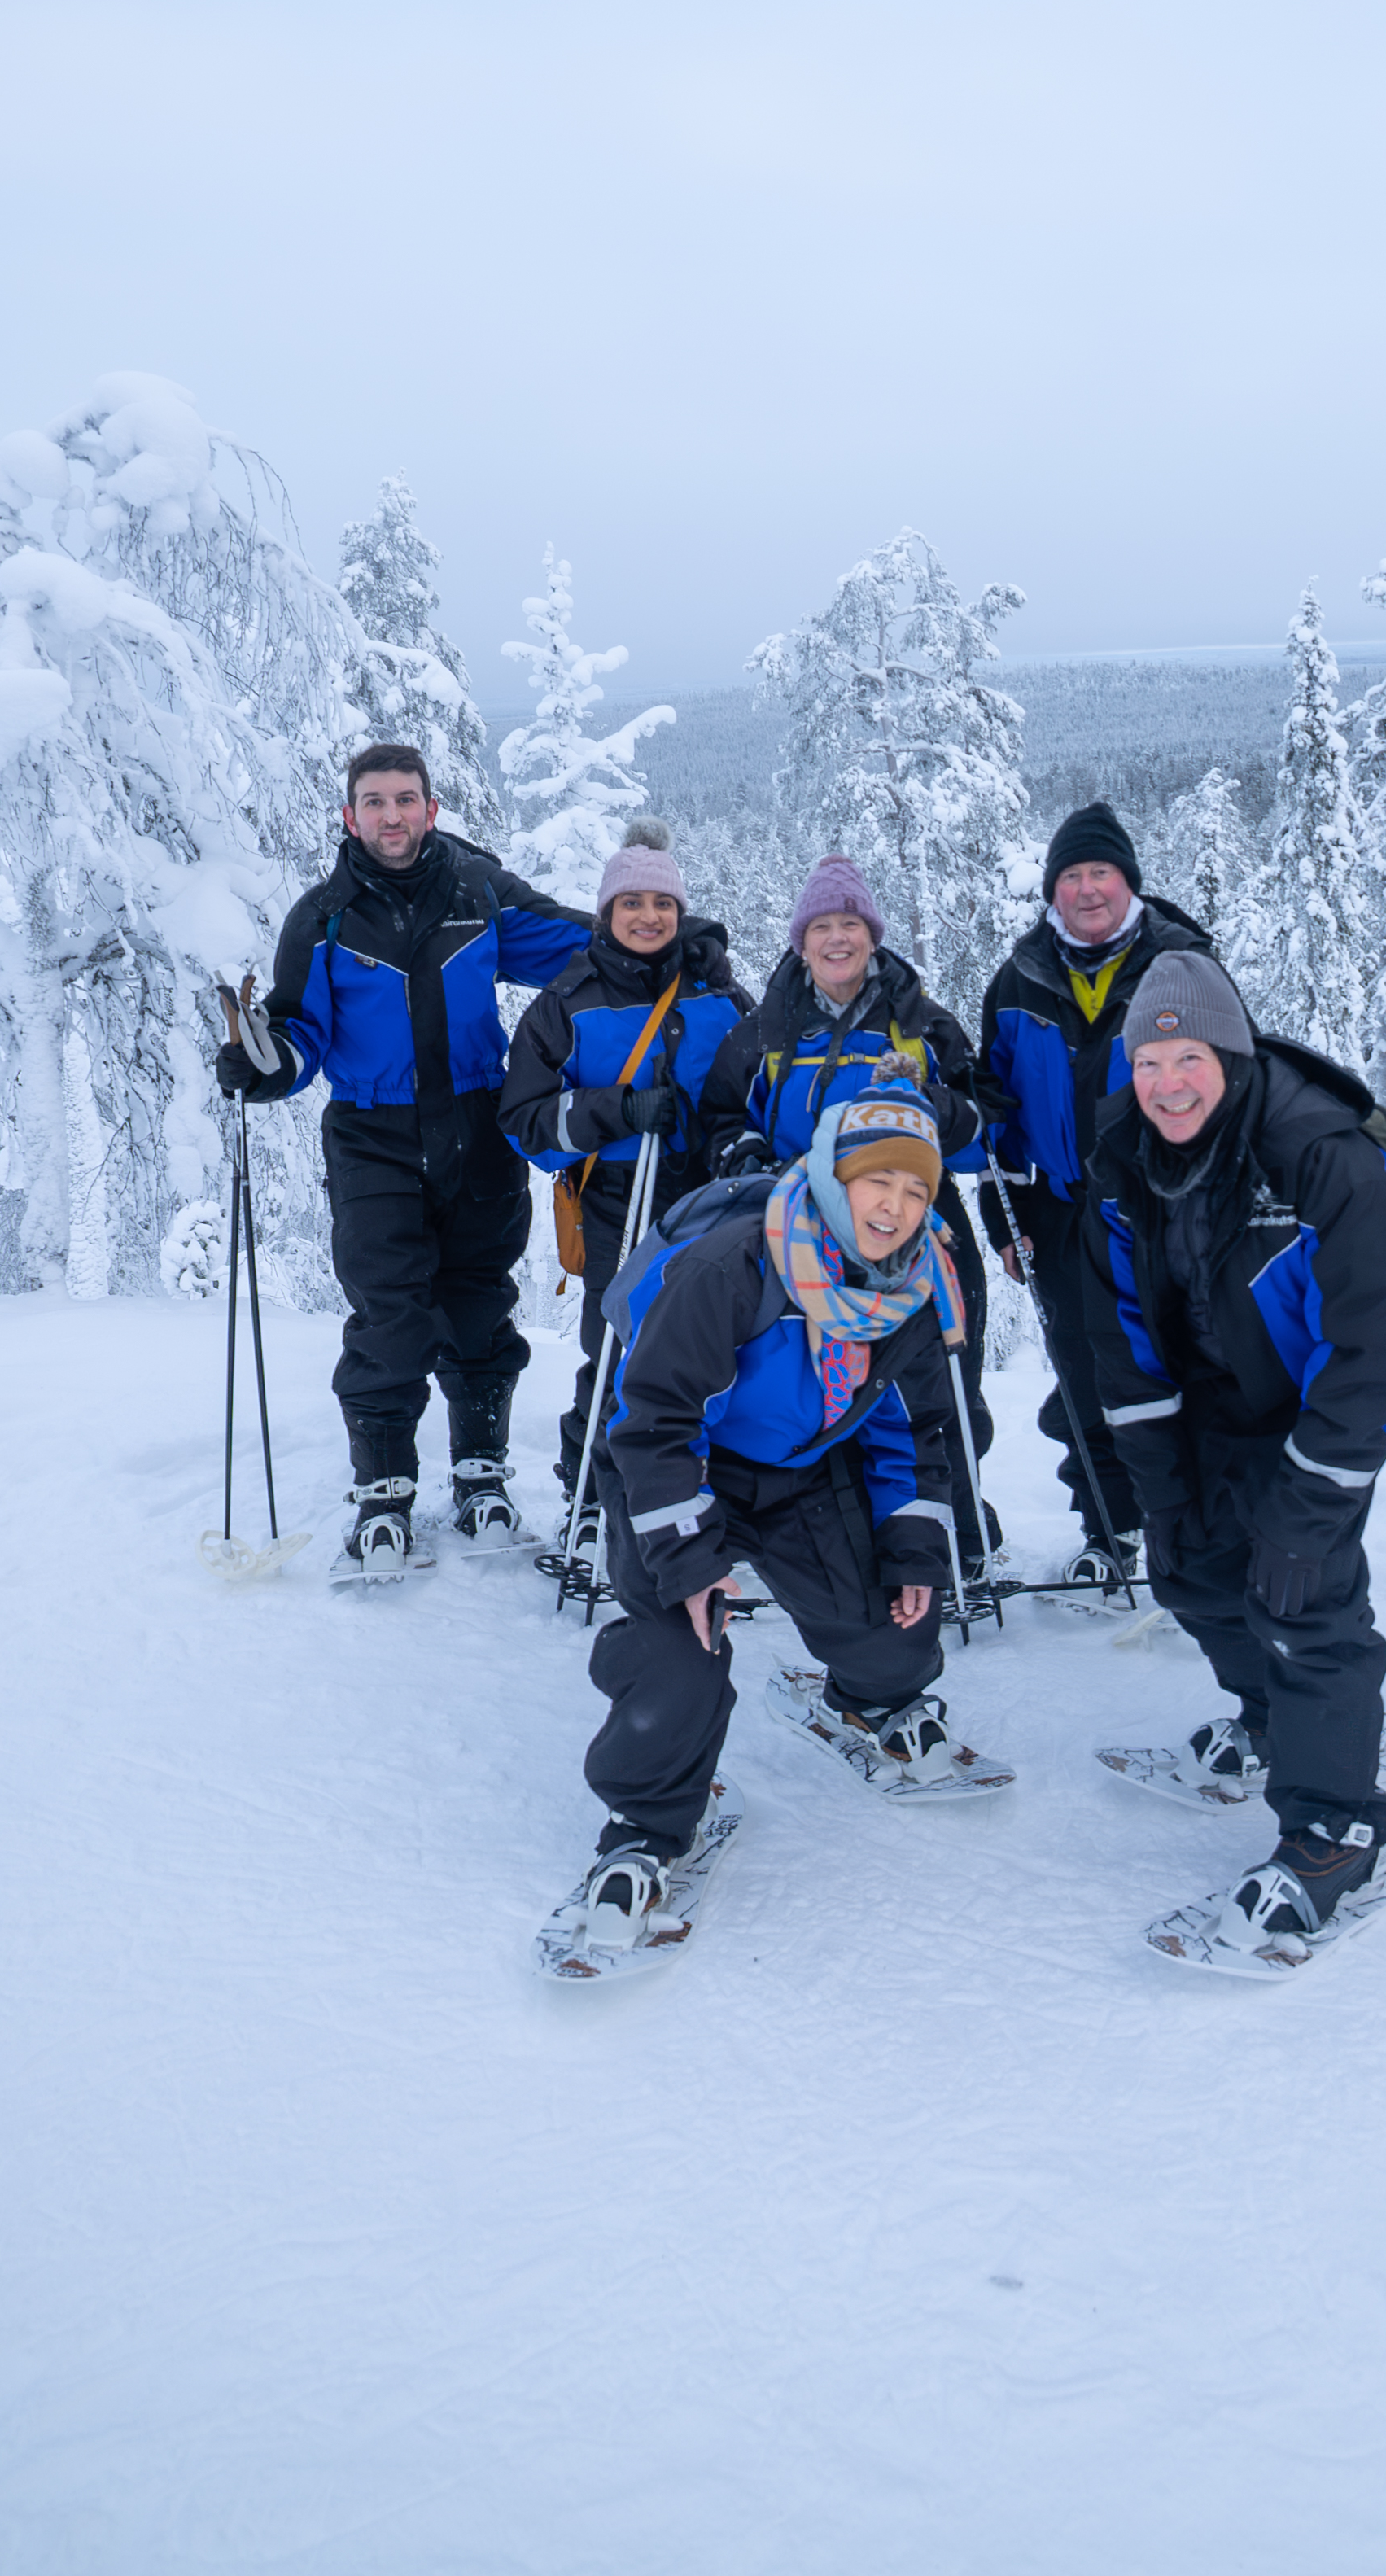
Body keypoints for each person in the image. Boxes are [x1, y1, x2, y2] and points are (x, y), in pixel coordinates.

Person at [557, 1089, 1009, 1956]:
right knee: (682, 1651)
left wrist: (914, 1545)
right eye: (877, 1180)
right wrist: (690, 1559)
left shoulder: (911, 1284)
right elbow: (652, 1415)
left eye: (917, 1192)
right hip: (672, 1466)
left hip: (803, 1466)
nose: (896, 1207)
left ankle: (868, 1698)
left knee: (894, 1624)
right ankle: (646, 1827)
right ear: (835, 1178)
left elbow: (908, 1424)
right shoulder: (733, 1265)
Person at [1083, 951, 1386, 1948]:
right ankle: (1270, 1715)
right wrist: (1156, 1478)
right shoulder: (1126, 1152)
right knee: (1194, 1570)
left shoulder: (1315, 1151)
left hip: (1320, 1401)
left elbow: (1374, 1339)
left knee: (1301, 1587)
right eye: (1148, 1065)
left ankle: (1337, 1827)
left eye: (1188, 1058)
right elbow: (1120, 1323)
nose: (1167, 1085)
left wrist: (1318, 1491)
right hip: (1208, 1390)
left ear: (1230, 1057)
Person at [219, 742, 588, 1577]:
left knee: (479, 1305)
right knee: (390, 1313)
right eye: (375, 802)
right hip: (372, 1133)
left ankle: (480, 1476)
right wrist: (265, 1063)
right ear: (351, 817)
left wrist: (666, 940)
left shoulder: (480, 894)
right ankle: (383, 1490)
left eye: (406, 799)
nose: (392, 815)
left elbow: (583, 949)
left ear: (431, 808)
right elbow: (300, 1033)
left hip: (478, 1124)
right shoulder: (324, 918)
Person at [694, 854, 1003, 1569]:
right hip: (795, 1224)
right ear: (801, 942)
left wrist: (938, 1107)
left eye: (852, 925)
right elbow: (715, 1119)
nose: (838, 939)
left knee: (939, 1373)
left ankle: (952, 1517)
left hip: (910, 1224)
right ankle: (817, 1520)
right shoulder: (763, 1031)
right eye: (823, 927)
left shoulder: (922, 1026)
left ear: (872, 935)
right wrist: (745, 1154)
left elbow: (983, 1130)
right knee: (808, 1376)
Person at [978, 803, 1216, 1592]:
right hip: (1060, 1209)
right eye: (1072, 875)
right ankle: (1108, 1531)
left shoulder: (1180, 967)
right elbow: (998, 1109)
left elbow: (1231, 1091)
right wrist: (1001, 1215)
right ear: (1053, 890)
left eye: (1101, 873)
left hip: (1159, 1205)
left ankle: (1191, 1529)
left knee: (1169, 1366)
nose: (1087, 888)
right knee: (1082, 1370)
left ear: (1129, 883)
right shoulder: (1019, 979)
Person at [496, 820, 745, 1549]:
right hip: (616, 1201)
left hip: (709, 1197)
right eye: (631, 903)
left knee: (718, 1347)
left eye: (662, 904)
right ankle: (589, 1499)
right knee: (616, 1352)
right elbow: (522, 1120)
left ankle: (706, 1493)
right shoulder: (567, 1003)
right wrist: (616, 1111)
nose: (648, 918)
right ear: (606, 913)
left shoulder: (718, 991)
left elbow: (760, 1075)